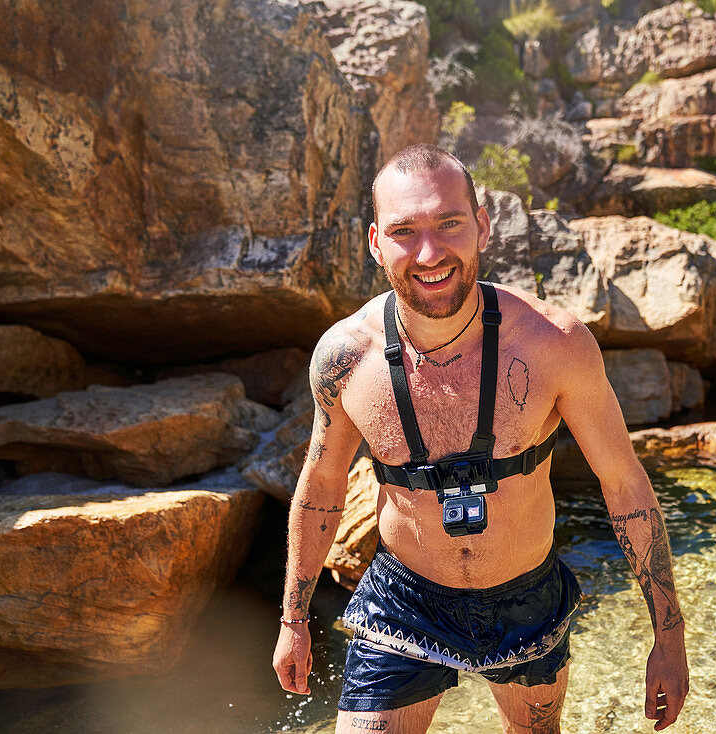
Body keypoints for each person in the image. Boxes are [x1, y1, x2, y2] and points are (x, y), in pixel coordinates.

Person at [272, 144, 689, 733]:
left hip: (527, 597)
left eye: (449, 223)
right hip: (404, 599)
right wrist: (293, 620)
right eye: (404, 231)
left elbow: (624, 484)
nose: (429, 252)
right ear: (374, 242)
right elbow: (320, 486)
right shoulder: (345, 358)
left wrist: (668, 638)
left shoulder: (554, 344)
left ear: (482, 226)